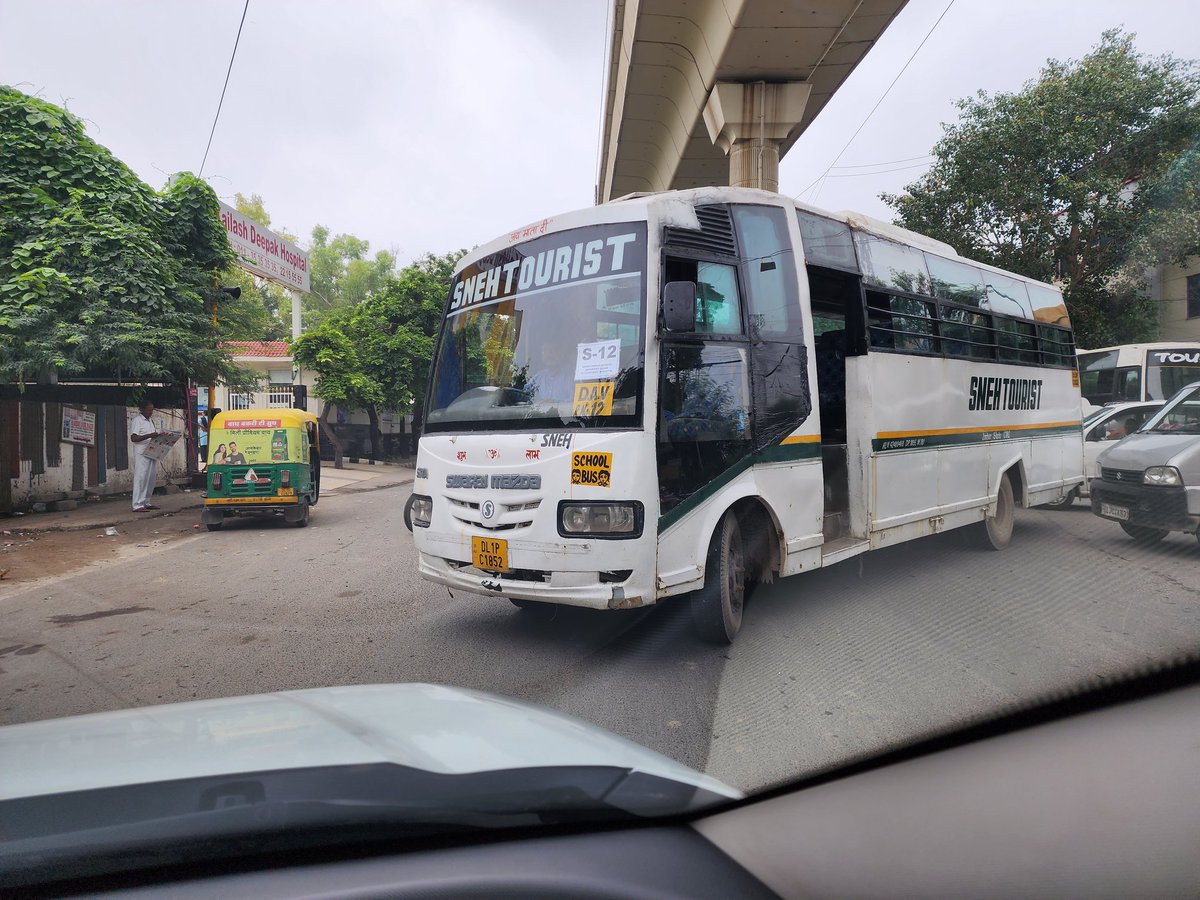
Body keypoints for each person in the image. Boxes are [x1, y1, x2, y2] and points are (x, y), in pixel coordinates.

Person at [129, 401, 167, 511]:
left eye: (152, 410)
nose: (151, 412)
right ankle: (137, 504)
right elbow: (134, 438)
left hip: (152, 451)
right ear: (142, 409)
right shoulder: (137, 420)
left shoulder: (150, 421)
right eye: (149, 410)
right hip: (141, 453)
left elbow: (153, 436)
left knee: (150, 478)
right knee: (141, 477)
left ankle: (146, 501)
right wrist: (150, 435)